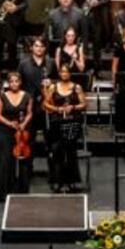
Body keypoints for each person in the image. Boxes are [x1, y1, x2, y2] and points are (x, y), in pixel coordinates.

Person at [44, 64, 86, 193]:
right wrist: (57, 109)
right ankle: (57, 180)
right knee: (57, 149)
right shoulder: (53, 87)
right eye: (62, 72)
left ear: (70, 73)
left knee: (70, 149)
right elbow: (45, 103)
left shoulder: (77, 87)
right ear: (59, 73)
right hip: (57, 122)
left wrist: (73, 107)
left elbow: (84, 104)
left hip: (72, 122)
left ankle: (71, 181)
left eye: (66, 72)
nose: (64, 74)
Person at [0, 72, 34, 200]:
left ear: (20, 82)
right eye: (11, 82)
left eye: (16, 81)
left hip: (22, 131)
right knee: (5, 160)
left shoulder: (27, 96)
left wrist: (23, 124)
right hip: (5, 130)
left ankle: (21, 191)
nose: (14, 84)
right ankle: (3, 192)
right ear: (8, 83)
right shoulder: (2, 96)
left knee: (23, 160)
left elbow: (29, 113)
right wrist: (10, 123)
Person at [18, 38, 56, 151]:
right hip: (29, 104)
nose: (39, 49)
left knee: (50, 135)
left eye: (42, 46)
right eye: (36, 46)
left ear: (45, 48)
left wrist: (51, 82)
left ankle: (52, 159)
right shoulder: (23, 64)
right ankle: (28, 160)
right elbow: (18, 83)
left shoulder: (51, 62)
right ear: (31, 48)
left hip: (46, 104)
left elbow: (58, 80)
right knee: (29, 136)